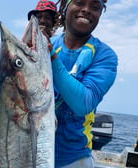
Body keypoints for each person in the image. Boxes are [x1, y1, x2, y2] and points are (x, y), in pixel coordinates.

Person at [48, 0, 118, 167]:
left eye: (95, 7)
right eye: (79, 2)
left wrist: (51, 58)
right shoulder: (46, 44)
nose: (86, 10)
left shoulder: (105, 55)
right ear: (65, 7)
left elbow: (83, 104)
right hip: (30, 151)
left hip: (73, 158)